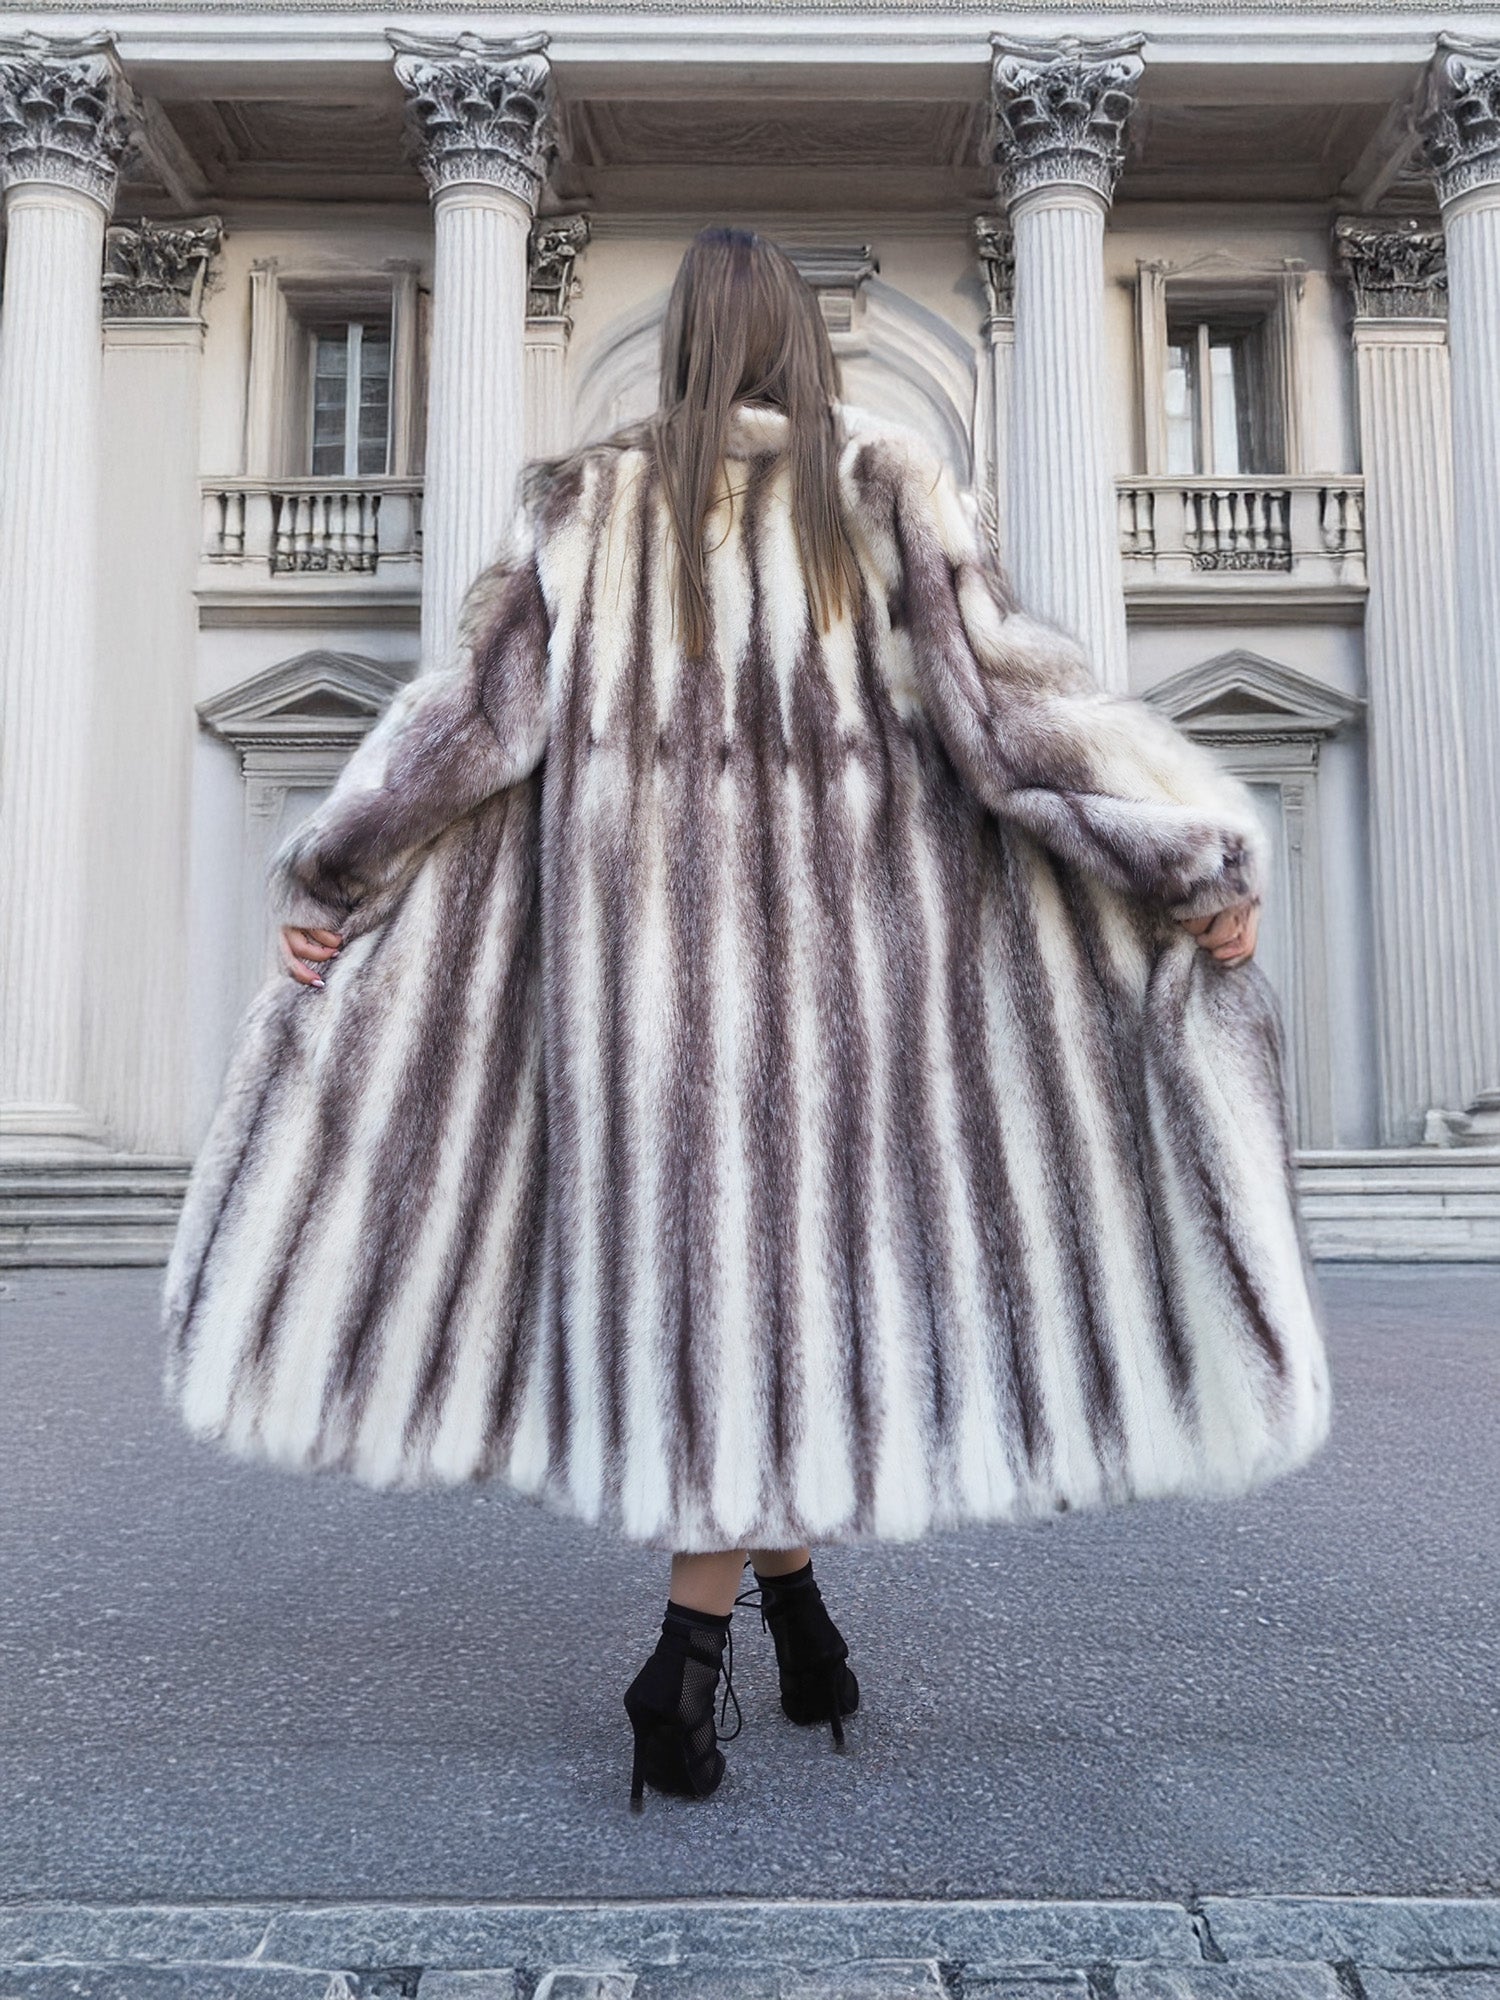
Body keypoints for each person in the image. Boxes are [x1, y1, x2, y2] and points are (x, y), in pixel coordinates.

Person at [162, 224, 1330, 1812]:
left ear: (681, 353)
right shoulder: (879, 495)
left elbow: (459, 733)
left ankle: (805, 1627)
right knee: (768, 1335)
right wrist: (1192, 858)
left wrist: (332, 873)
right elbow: (1013, 721)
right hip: (847, 1035)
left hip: (639, 1039)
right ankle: (680, 1670)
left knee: (739, 1335)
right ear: (801, 343)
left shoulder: (587, 514)